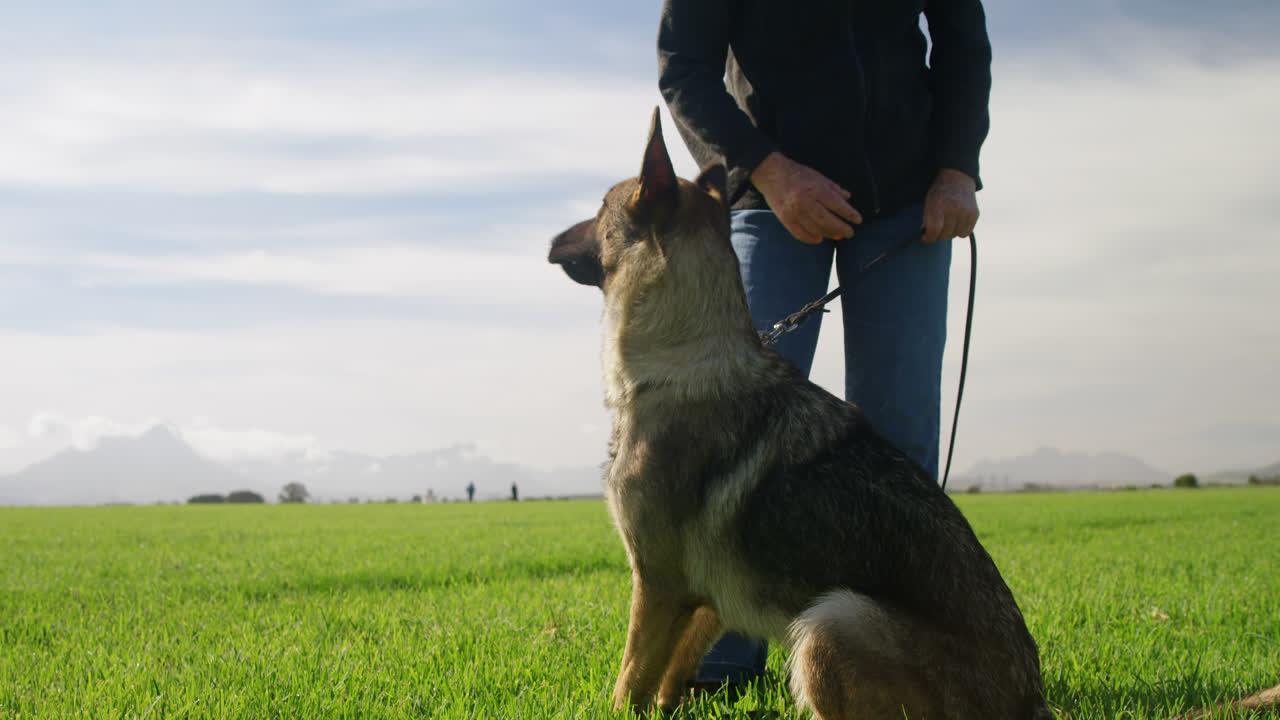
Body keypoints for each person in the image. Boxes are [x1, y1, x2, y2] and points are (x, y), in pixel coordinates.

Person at [657, 0, 992, 692]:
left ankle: (903, 667)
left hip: (907, 201)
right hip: (766, 199)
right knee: (732, 431)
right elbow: (684, 67)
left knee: (899, 445)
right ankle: (720, 666)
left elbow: (962, 38)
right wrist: (769, 170)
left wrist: (957, 168)